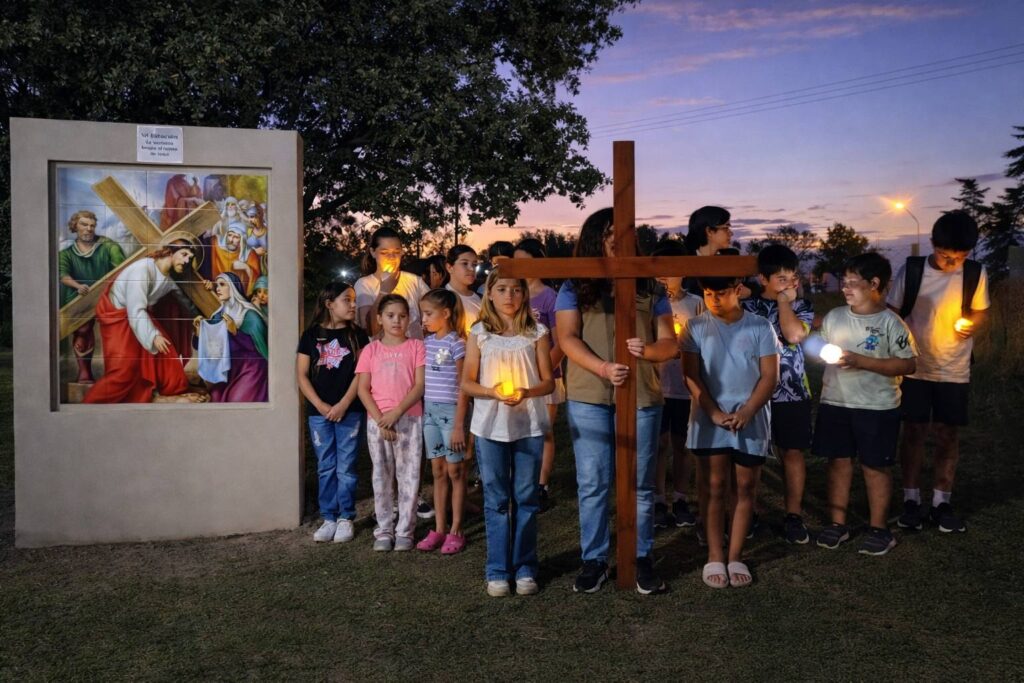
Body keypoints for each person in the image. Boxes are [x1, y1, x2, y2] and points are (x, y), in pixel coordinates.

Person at [556, 208, 678, 595]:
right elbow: (567, 337)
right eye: (608, 232)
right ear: (595, 236)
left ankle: (640, 556)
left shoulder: (650, 286)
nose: (615, 239)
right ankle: (594, 559)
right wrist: (602, 367)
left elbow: (669, 342)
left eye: (622, 232)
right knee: (593, 481)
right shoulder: (576, 284)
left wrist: (649, 351)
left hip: (641, 394)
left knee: (640, 482)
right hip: (589, 394)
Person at [887, 211, 989, 533]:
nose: (952, 263)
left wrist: (972, 325)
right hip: (915, 368)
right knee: (914, 432)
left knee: (948, 433)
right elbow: (892, 310)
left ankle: (941, 502)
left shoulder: (975, 273)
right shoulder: (912, 270)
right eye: (946, 256)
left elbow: (980, 312)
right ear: (933, 244)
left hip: (954, 368)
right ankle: (911, 499)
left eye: (960, 257)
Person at [814, 253, 918, 556]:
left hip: (877, 406)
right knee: (838, 462)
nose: (844, 288)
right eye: (844, 282)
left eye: (852, 283)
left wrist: (861, 361)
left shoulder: (890, 323)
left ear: (874, 284)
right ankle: (837, 524)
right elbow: (821, 346)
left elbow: (908, 364)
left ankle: (879, 529)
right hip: (836, 401)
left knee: (875, 465)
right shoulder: (835, 317)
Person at [682, 272, 780, 588]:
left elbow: (770, 375)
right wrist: (712, 411)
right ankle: (714, 554)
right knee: (713, 486)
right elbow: (691, 375)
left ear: (738, 290)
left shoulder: (759, 326)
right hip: (710, 417)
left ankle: (735, 554)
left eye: (721, 293)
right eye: (708, 294)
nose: (713, 300)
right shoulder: (695, 327)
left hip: (750, 417)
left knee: (745, 486)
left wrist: (749, 410)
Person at [461, 270, 554, 597]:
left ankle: (525, 566)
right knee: (497, 498)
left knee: (526, 497)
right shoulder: (480, 333)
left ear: (524, 294)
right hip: (491, 426)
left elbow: (549, 381)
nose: (509, 296)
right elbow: (467, 382)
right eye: (501, 289)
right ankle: (498, 569)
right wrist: (492, 392)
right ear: (489, 293)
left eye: (516, 290)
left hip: (528, 425)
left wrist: (526, 392)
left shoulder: (537, 333)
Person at [741, 244, 815, 544]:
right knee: (753, 455)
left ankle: (793, 515)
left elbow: (794, 334)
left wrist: (784, 302)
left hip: (792, 390)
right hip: (753, 390)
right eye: (781, 278)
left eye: (792, 277)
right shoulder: (746, 307)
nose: (789, 283)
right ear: (763, 279)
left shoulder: (802, 306)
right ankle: (750, 514)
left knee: (792, 452)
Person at [84, 236, 206, 404]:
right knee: (124, 371)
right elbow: (135, 309)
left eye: (190, 258)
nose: (187, 261)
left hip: (139, 316)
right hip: (117, 317)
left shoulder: (169, 280)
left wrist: (197, 316)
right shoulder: (142, 270)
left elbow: (186, 302)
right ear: (169, 252)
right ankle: (90, 403)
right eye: (184, 254)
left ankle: (173, 391)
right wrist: (153, 336)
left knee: (166, 352)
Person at [296, 281, 369, 543]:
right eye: (347, 300)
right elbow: (302, 375)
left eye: (354, 300)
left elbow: (362, 373)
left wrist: (344, 404)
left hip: (350, 411)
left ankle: (345, 517)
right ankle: (329, 517)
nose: (353, 305)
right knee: (325, 466)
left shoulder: (358, 335)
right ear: (329, 304)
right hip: (320, 414)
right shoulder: (310, 336)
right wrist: (320, 405)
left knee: (346, 466)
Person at [355, 294, 426, 552]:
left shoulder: (416, 347)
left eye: (402, 316)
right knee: (381, 476)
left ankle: (405, 530)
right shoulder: (370, 350)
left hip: (409, 418)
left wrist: (397, 413)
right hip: (378, 421)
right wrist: (381, 420)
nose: (397, 321)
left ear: (409, 319)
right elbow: (363, 389)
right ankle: (384, 530)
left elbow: (419, 385)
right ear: (379, 319)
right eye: (390, 315)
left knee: (409, 475)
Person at [649, 240, 702, 529]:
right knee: (658, 444)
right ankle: (658, 499)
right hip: (656, 384)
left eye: (669, 270)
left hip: (684, 385)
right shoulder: (649, 303)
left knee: (682, 443)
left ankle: (681, 497)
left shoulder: (695, 303)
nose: (663, 276)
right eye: (658, 270)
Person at [416, 289, 470, 555]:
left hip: (452, 414)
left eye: (428, 314)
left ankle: (456, 528)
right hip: (430, 414)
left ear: (446, 313)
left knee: (455, 471)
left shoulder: (457, 343)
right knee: (437, 471)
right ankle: (439, 526)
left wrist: (459, 424)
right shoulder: (426, 343)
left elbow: (464, 385)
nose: (423, 319)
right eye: (422, 314)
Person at [514, 238, 566, 510]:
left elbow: (562, 341)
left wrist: (544, 372)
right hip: (517, 376)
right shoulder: (513, 294)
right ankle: (522, 482)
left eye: (525, 262)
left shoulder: (549, 297)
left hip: (547, 376)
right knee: (521, 431)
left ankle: (541, 484)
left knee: (543, 431)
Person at [58, 210, 126, 383]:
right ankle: (84, 372)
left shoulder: (108, 246)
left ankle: (120, 373)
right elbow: (63, 275)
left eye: (92, 225)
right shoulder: (66, 253)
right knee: (82, 330)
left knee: (120, 327)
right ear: (75, 226)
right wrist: (78, 286)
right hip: (80, 296)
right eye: (84, 224)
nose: (88, 229)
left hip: (107, 294)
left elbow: (122, 268)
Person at [194, 273, 268, 402]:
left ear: (233, 287)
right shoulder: (218, 315)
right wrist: (199, 332)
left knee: (236, 400)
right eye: (217, 285)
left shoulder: (250, 315)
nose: (218, 289)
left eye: (222, 285)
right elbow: (206, 347)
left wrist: (235, 332)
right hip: (230, 368)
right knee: (215, 398)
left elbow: (258, 348)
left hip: (252, 368)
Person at [354, 227, 430, 339]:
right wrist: (384, 292)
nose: (391, 257)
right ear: (373, 252)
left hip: (415, 348)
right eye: (384, 252)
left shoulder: (415, 281)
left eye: (396, 252)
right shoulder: (364, 284)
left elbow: (432, 316)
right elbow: (369, 329)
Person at [445, 245, 483, 332]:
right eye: (465, 263)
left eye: (474, 264)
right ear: (449, 267)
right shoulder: (439, 298)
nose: (472, 269)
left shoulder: (480, 298)